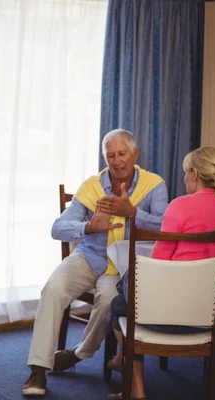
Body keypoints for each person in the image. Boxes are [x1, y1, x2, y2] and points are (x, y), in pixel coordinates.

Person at [22, 129, 168, 396]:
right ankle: (38, 369)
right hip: (89, 257)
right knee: (53, 287)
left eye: (122, 154)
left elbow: (165, 227)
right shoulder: (91, 187)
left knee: (110, 300)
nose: (116, 161)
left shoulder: (154, 185)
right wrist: (89, 226)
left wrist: (133, 213)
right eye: (110, 155)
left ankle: (79, 353)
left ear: (135, 154)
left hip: (124, 268)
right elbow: (58, 228)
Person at [107, 146, 215, 400]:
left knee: (119, 302)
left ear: (195, 174)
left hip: (168, 316)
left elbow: (158, 266)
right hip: (210, 316)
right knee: (125, 294)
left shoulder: (180, 206)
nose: (184, 178)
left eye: (186, 174)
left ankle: (135, 387)